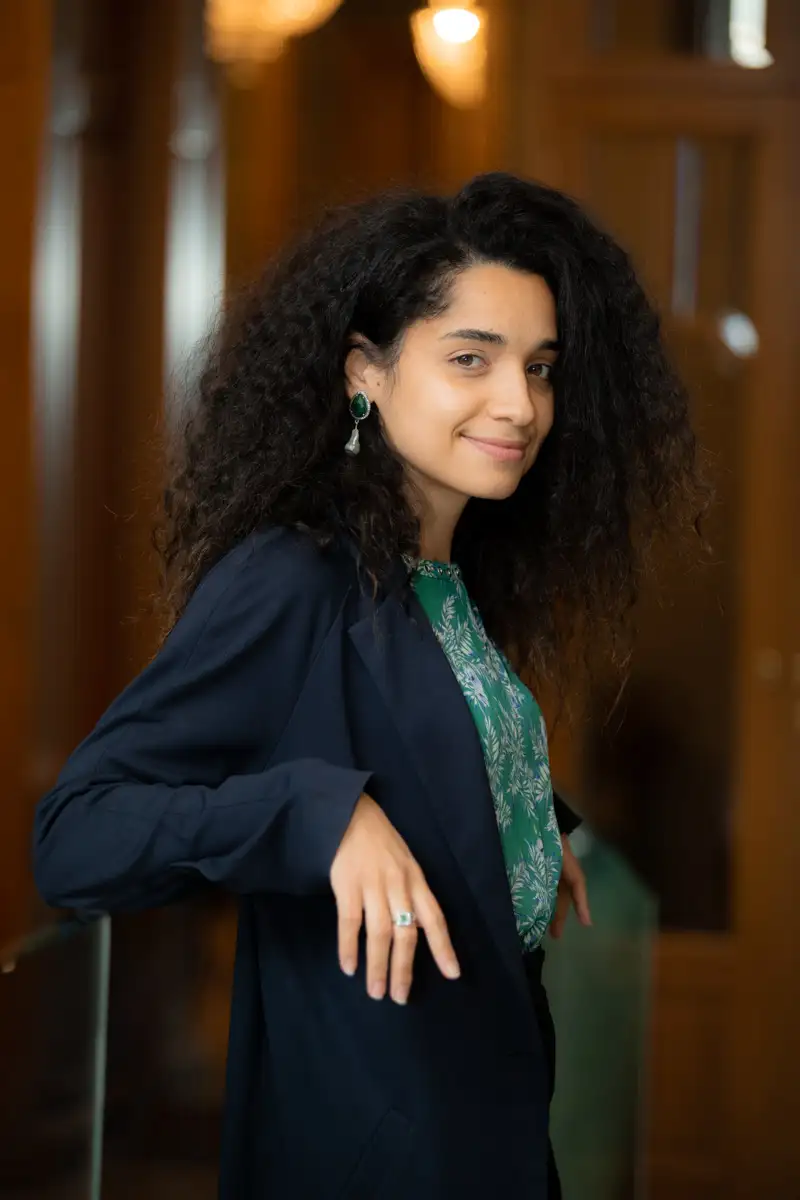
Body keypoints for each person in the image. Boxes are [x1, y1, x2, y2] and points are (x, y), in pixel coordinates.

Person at [33, 172, 706, 1199]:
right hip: (376, 1139)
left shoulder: (439, 573)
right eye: (468, 360)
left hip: (486, 1104)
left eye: (538, 367)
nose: (518, 405)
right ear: (365, 375)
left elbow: (414, 732)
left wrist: (520, 819)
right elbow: (77, 835)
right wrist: (323, 817)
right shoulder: (292, 574)